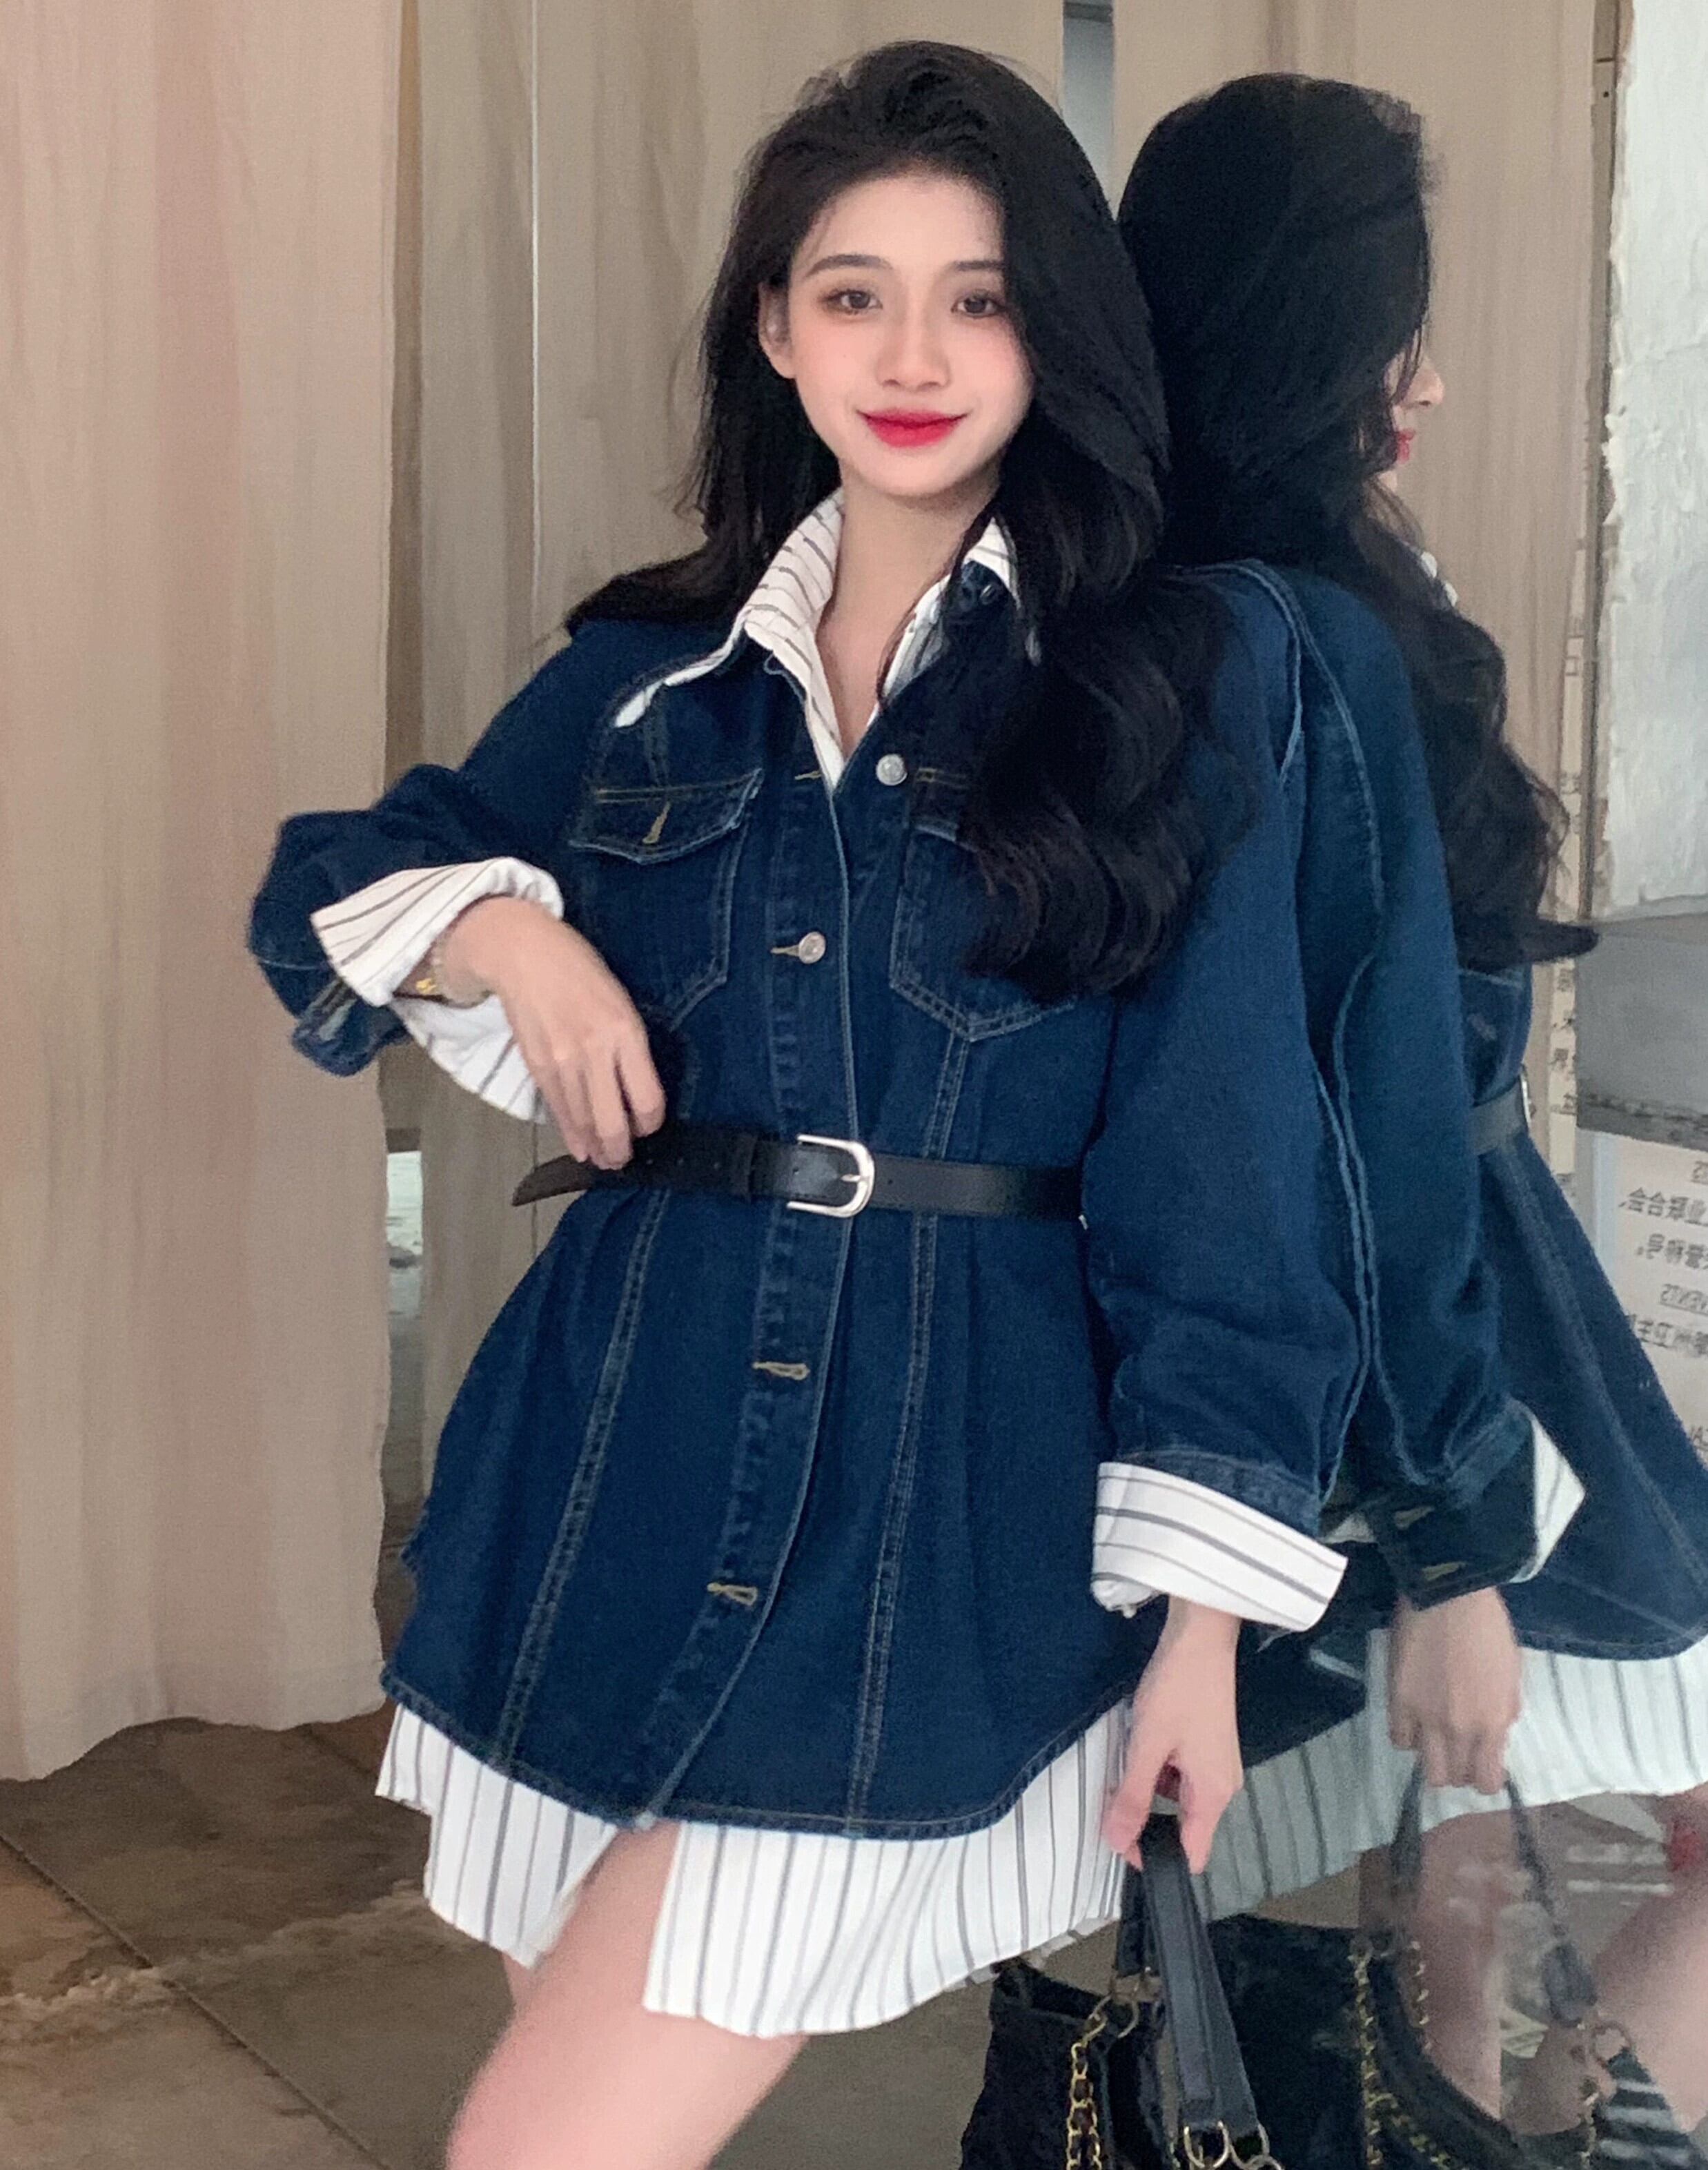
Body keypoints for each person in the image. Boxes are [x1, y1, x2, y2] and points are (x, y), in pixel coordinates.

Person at [250, 44, 1377, 2170]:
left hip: (928, 1516)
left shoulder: (1178, 672)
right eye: (854, 294)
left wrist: (1201, 1636)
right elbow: (333, 878)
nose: (912, 356)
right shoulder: (647, 673)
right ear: (774, 328)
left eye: (977, 296)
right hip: (606, 1458)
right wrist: (508, 937)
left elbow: (1226, 1171)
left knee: (541, 2145)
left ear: (1053, 327)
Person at [1117, 72, 1708, 2132]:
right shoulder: (1282, 630)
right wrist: (1448, 1545)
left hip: (1430, 1295)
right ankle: (1543, 2119)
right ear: (1306, 342)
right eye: (1398, 336)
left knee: (1436, 1815)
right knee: (1476, 1780)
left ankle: (1487, 2108)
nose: (1428, 382)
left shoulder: (1228, 586)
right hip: (1434, 1308)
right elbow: (1322, 1117)